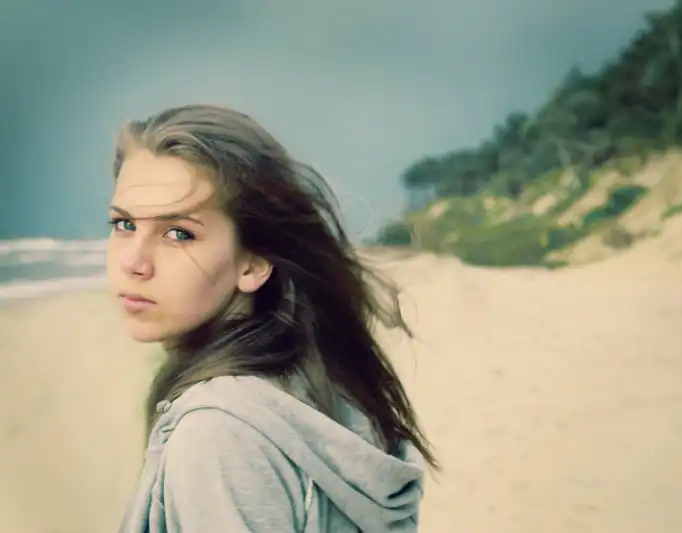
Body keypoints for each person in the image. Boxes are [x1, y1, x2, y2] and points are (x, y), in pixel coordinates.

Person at [109, 104, 438, 533]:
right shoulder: (319, 382)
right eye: (124, 224)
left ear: (253, 262)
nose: (134, 262)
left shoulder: (219, 433)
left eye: (178, 233)